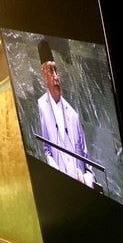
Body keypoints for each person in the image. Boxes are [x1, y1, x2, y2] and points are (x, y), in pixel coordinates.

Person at [36, 39, 93, 187]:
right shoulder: (41, 106)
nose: (56, 77)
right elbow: (45, 151)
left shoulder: (73, 116)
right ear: (44, 74)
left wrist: (85, 180)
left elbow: (88, 165)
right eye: (51, 71)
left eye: (56, 71)